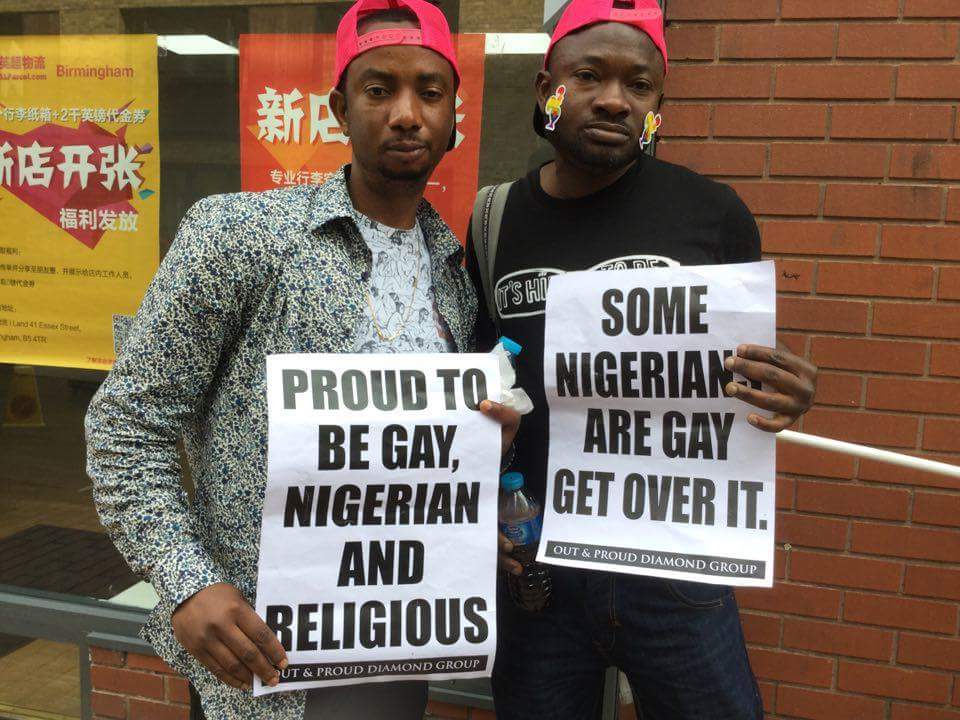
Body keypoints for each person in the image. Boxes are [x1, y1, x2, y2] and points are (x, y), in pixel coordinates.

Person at [85, 1, 519, 718]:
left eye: (429, 92)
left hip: (400, 636)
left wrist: (476, 450)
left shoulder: (454, 271)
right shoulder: (239, 234)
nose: (407, 114)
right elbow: (127, 428)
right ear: (338, 109)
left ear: (454, 116)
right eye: (379, 90)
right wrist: (186, 579)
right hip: (263, 656)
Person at [466, 1, 818, 718]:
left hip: (675, 568)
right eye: (589, 75)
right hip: (540, 570)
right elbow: (481, 381)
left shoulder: (714, 214)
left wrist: (781, 394)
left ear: (658, 104)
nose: (614, 100)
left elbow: (743, 383)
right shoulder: (493, 218)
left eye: (640, 86)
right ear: (546, 90)